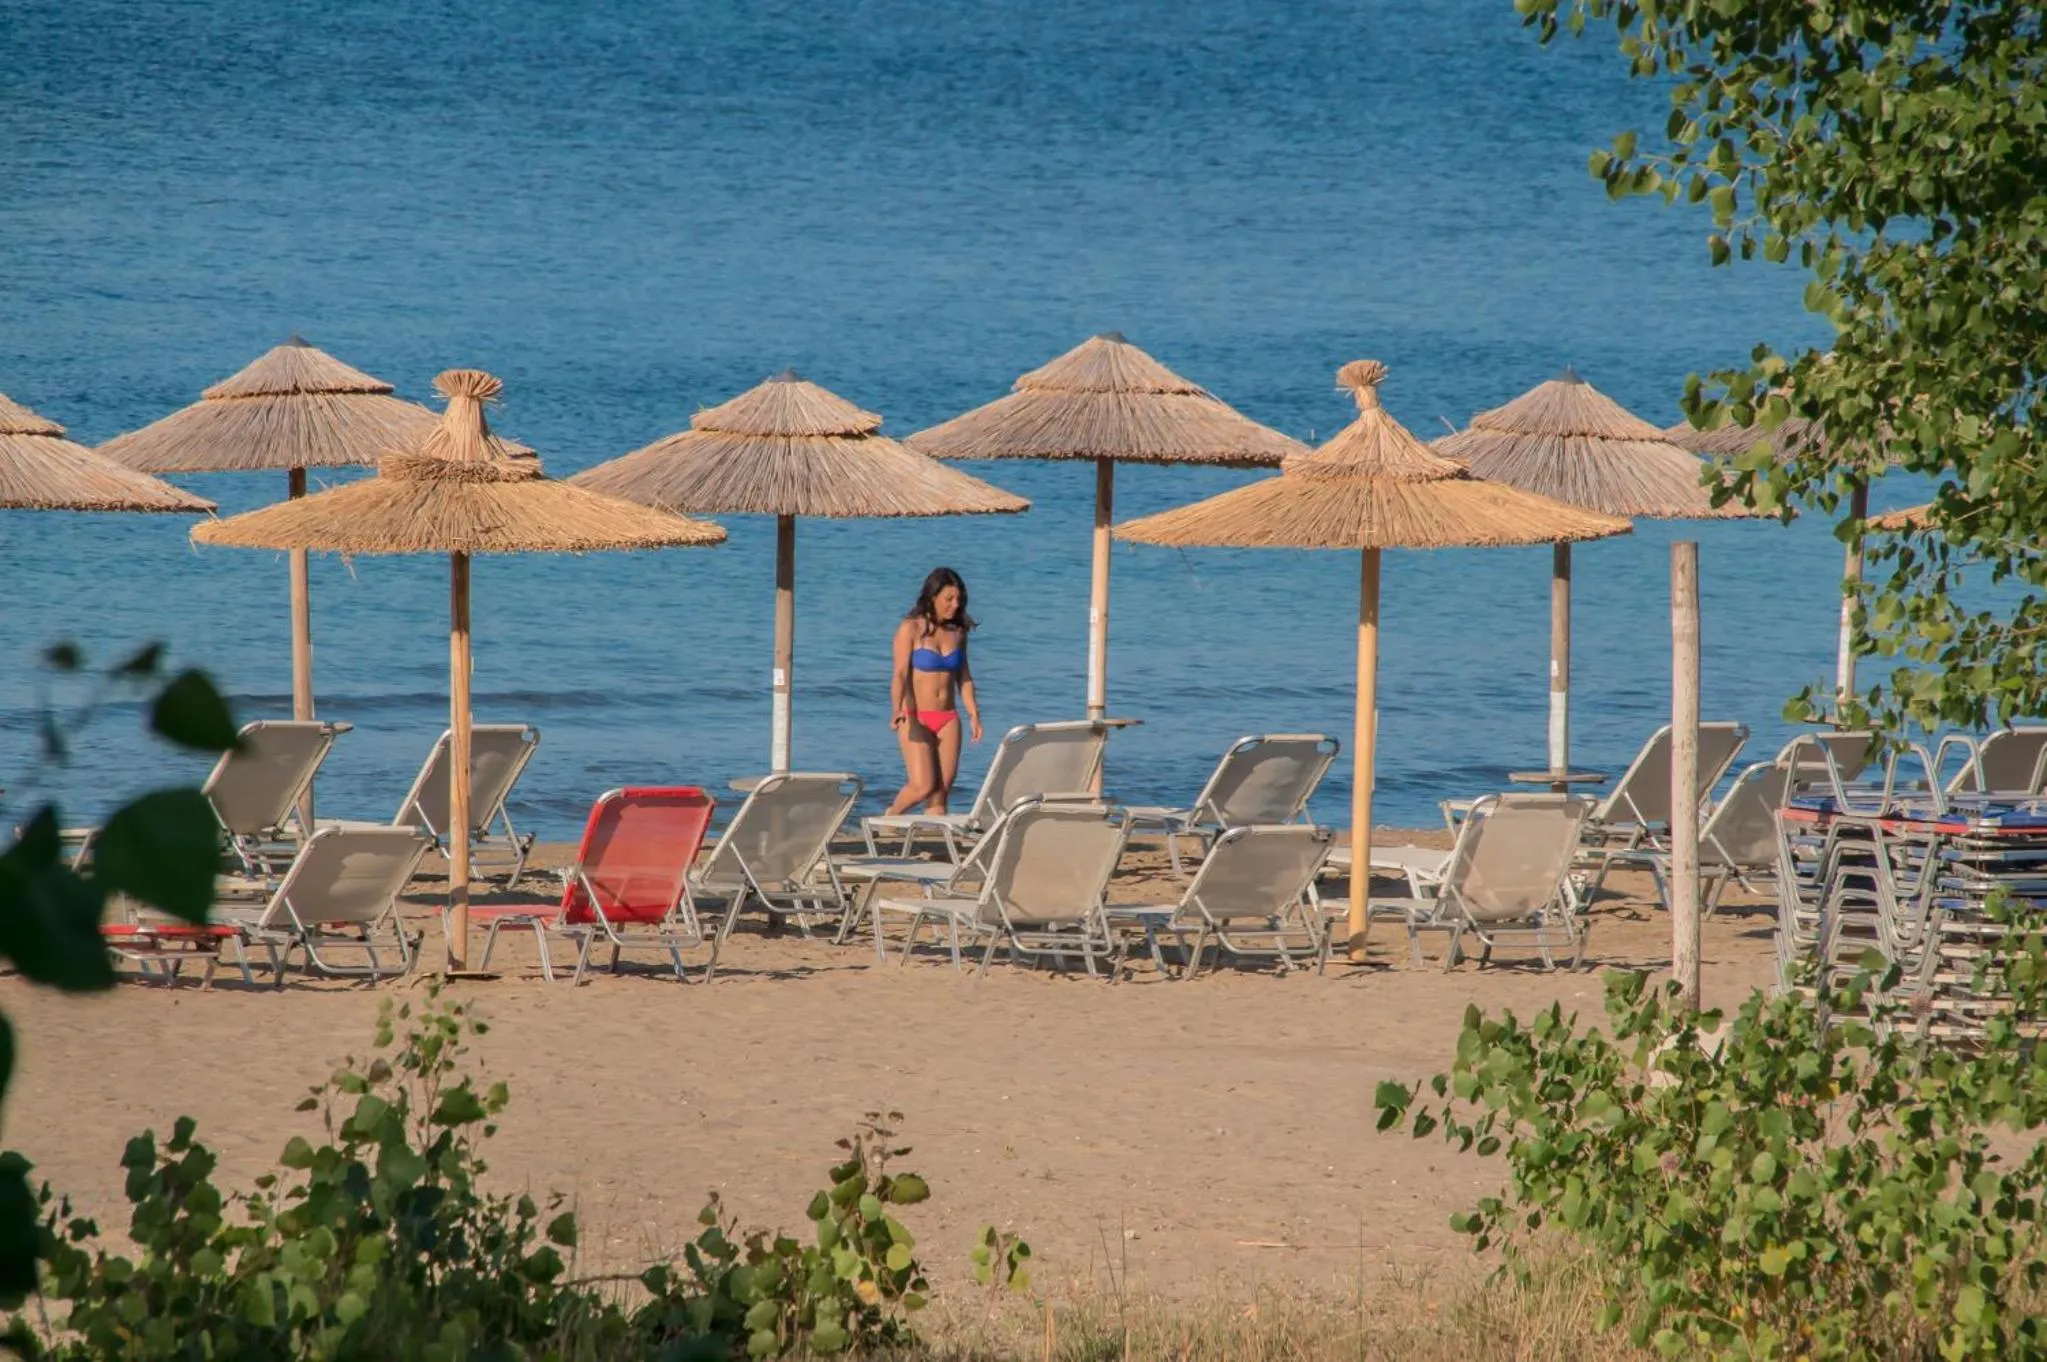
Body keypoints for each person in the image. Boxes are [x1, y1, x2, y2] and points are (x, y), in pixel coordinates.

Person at [886, 567, 983, 815]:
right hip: (915, 716)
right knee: (923, 786)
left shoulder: (958, 632)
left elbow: (964, 676)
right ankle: (890, 817)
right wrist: (896, 708)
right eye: (949, 599)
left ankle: (933, 844)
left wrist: (974, 714)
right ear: (932, 597)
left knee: (940, 792)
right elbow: (899, 674)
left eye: (959, 599)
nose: (955, 604)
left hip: (948, 718)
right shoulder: (911, 628)